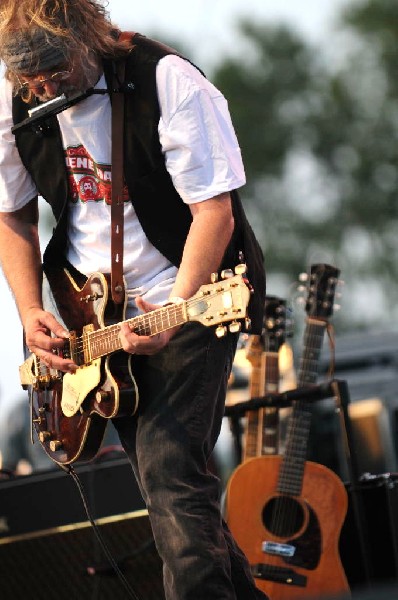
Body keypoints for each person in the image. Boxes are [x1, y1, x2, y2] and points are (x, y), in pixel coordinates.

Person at [0, 1, 267, 599]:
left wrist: (175, 308)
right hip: (87, 317)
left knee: (170, 473)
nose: (44, 87)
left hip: (195, 295)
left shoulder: (167, 79)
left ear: (86, 37)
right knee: (169, 488)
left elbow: (213, 211)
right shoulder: (15, 99)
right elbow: (11, 214)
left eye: (56, 70)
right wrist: (28, 309)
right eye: (30, 79)